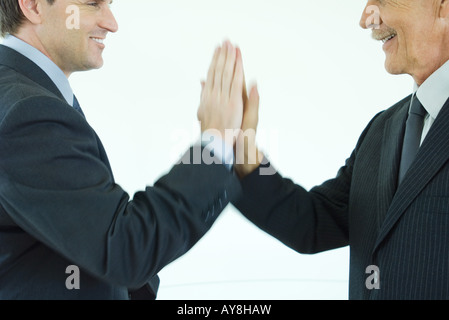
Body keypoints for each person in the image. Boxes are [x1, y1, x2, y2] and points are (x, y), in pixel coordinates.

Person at [0, 0, 246, 299]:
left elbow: (84, 236)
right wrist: (215, 144)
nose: (111, 23)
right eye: (92, 4)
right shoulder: (28, 111)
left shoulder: (22, 95)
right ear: (34, 6)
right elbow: (123, 248)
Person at [233, 0, 449, 299]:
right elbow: (313, 222)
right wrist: (244, 154)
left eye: (382, 1)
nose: (366, 19)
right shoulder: (382, 129)